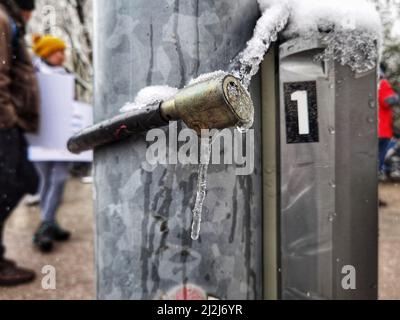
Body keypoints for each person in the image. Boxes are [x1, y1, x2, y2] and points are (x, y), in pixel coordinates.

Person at [0, 0, 39, 286]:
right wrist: (9, 119)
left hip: (9, 121)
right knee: (15, 182)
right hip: (3, 123)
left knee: (21, 181)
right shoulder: (2, 20)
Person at [31, 34, 72, 253]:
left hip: (62, 135)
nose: (62, 55)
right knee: (46, 180)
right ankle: (51, 222)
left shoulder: (66, 73)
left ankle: (45, 224)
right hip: (40, 135)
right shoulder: (33, 72)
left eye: (63, 51)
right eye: (57, 51)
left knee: (61, 178)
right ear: (46, 53)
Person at [379, 66, 399, 181]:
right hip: (381, 130)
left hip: (373, 129)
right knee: (378, 159)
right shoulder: (382, 84)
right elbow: (388, 101)